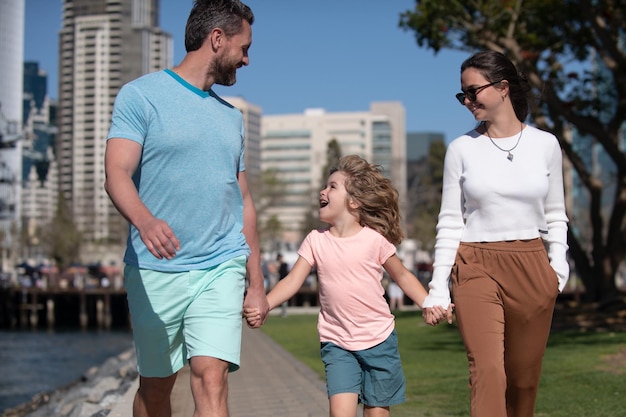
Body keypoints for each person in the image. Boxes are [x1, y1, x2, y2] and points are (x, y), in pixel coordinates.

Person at [103, 1, 269, 416]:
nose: (247, 59)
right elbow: (116, 173)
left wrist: (257, 281)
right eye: (244, 47)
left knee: (211, 379)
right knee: (157, 389)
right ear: (217, 39)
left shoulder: (232, 119)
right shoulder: (141, 96)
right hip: (155, 269)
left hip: (220, 263)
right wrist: (144, 220)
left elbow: (242, 201)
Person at [245, 155, 450, 417]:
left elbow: (403, 276)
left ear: (353, 201)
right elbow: (293, 280)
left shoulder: (374, 240)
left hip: (379, 340)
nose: (323, 191)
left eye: (332, 186)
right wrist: (265, 304)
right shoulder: (315, 241)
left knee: (376, 412)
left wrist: (429, 303)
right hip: (337, 341)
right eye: (325, 186)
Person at [423, 50, 569, 417]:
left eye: (473, 92)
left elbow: (556, 215)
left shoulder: (545, 145)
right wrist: (438, 287)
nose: (467, 101)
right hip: (476, 264)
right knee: (488, 371)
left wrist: (558, 269)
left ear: (503, 87)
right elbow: (450, 220)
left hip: (532, 265)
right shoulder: (461, 149)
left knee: (523, 380)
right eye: (463, 95)